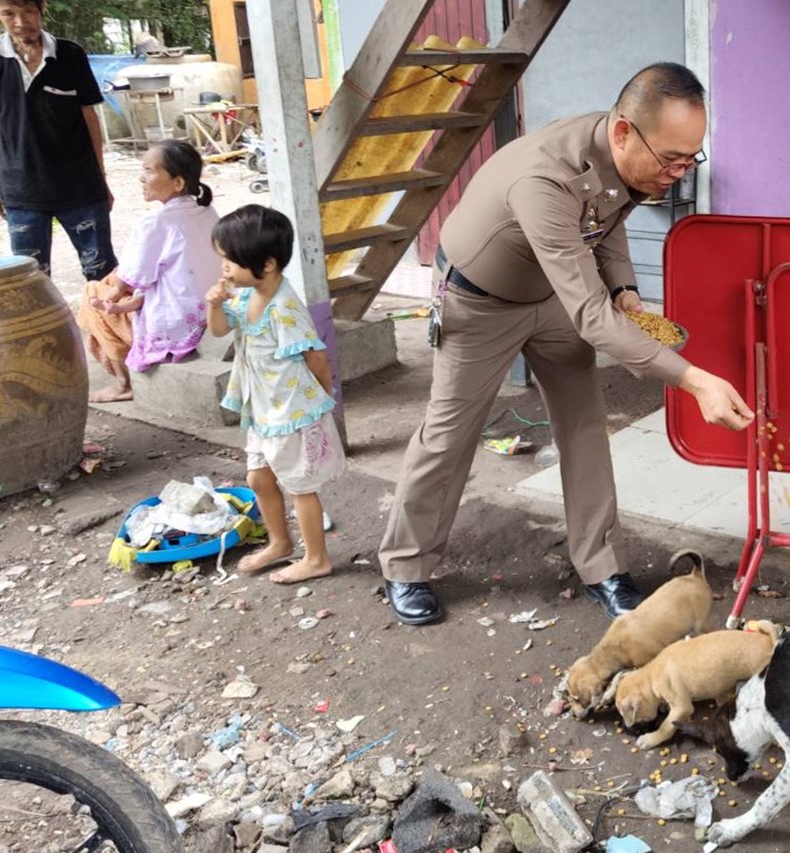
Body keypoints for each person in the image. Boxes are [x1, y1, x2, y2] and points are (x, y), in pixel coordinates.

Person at [378, 62, 753, 627]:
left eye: (689, 158)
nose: (678, 172)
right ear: (624, 131)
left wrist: (626, 291)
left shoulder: (626, 160)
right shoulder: (545, 179)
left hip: (552, 295)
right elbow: (591, 314)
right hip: (480, 300)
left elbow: (608, 223)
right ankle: (406, 565)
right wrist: (693, 379)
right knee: (450, 433)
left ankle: (602, 566)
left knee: (583, 427)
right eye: (671, 159)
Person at [206, 204, 345, 585]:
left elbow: (316, 356)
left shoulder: (284, 308)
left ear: (266, 264)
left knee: (300, 486)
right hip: (264, 410)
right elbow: (219, 331)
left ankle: (316, 557)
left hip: (291, 412)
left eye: (230, 260)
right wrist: (213, 304)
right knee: (259, 478)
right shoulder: (246, 296)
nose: (224, 268)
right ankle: (280, 543)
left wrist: (321, 398)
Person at [76, 141, 219, 402]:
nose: (142, 177)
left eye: (150, 171)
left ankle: (123, 383)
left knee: (92, 297)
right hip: (211, 310)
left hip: (179, 323)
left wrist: (115, 294)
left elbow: (128, 280)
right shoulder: (206, 209)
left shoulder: (155, 221)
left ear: (177, 183)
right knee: (114, 280)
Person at [0, 0, 115, 280]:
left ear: (42, 8)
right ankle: (46, 332)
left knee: (102, 274)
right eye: (9, 13)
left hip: (80, 187)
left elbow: (88, 117)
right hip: (21, 190)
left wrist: (101, 176)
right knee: (31, 281)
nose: (21, 23)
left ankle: (104, 330)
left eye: (28, 11)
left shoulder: (69, 54)